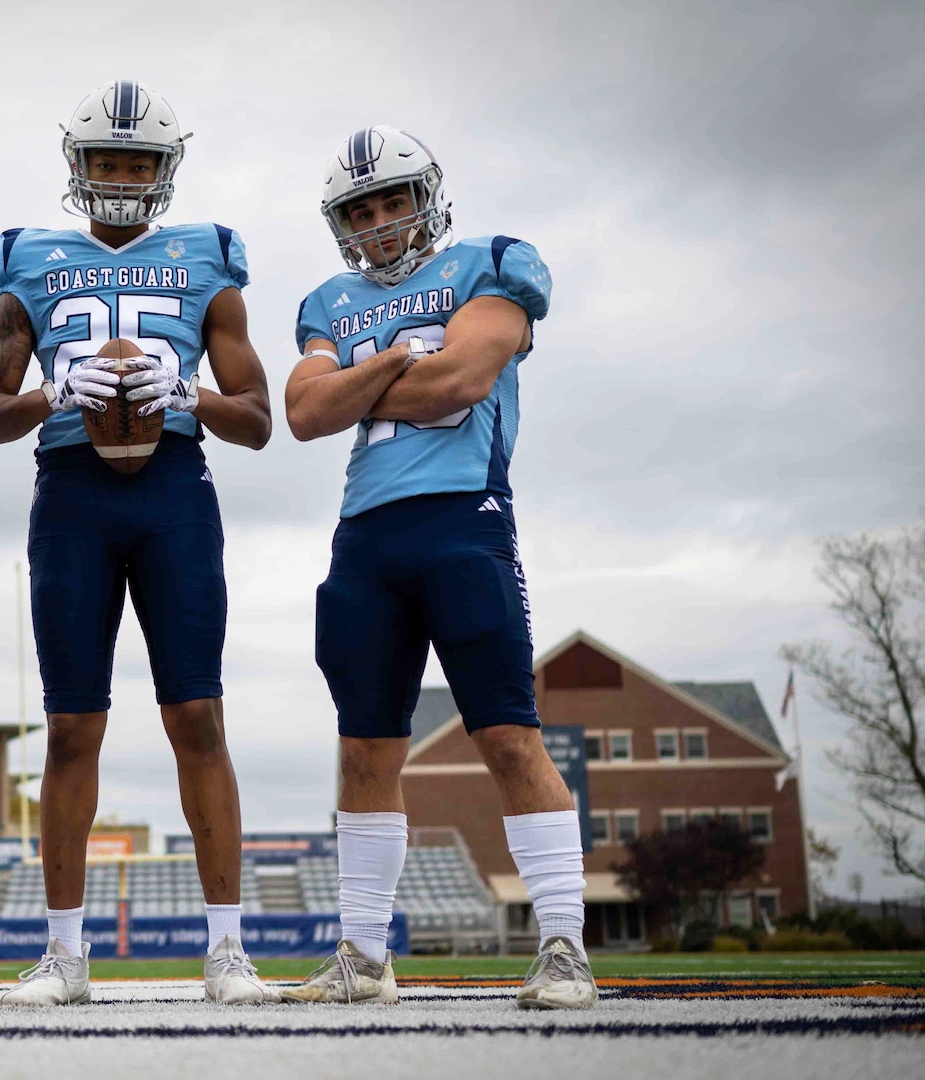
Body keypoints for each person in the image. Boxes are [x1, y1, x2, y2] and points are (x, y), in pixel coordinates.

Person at [0, 80, 277, 1006]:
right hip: (70, 494)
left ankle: (226, 951)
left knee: (198, 717)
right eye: (107, 159)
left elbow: (259, 420)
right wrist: (54, 396)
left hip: (175, 490)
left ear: (165, 168)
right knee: (71, 726)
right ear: (78, 164)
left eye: (138, 161)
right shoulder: (23, 258)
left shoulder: (208, 258)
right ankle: (64, 955)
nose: (121, 176)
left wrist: (184, 394)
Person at [281, 126, 595, 1010]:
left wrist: (359, 379)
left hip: (466, 521)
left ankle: (565, 946)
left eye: (392, 201)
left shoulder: (491, 263)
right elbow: (303, 411)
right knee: (363, 747)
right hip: (364, 538)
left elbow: (459, 383)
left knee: (504, 732)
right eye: (360, 210)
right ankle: (363, 956)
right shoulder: (327, 298)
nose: (379, 222)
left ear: (427, 197)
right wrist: (395, 359)